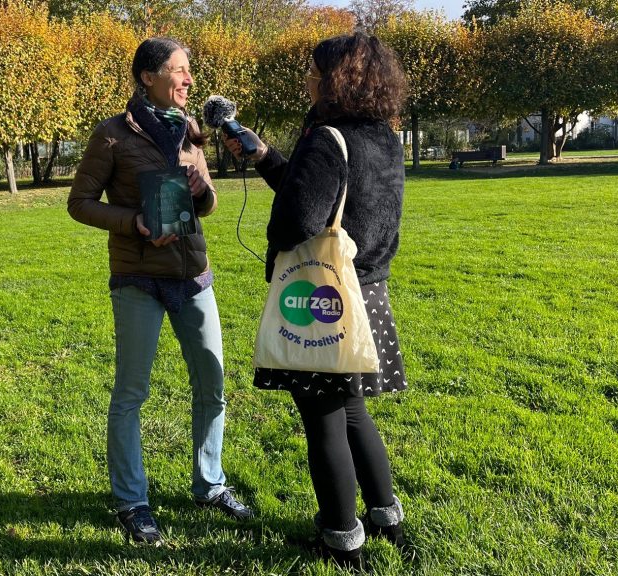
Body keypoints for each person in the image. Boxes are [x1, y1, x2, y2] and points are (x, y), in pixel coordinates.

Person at [225, 32, 408, 567]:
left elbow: (300, 217)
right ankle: (385, 517)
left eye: (314, 71)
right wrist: (266, 158)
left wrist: (274, 237)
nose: (308, 78)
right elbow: (326, 200)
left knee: (324, 420)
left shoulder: (328, 136)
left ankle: (341, 538)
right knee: (352, 413)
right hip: (367, 290)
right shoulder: (382, 136)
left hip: (323, 297)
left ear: (337, 80)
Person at [68, 36, 252, 546]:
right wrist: (135, 222)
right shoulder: (110, 135)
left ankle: (210, 485)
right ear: (148, 76)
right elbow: (79, 203)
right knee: (132, 392)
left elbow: (207, 204)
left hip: (192, 274)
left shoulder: (191, 132)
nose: (189, 79)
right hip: (138, 277)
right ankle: (132, 501)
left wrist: (203, 192)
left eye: (189, 70)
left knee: (212, 382)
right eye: (179, 70)